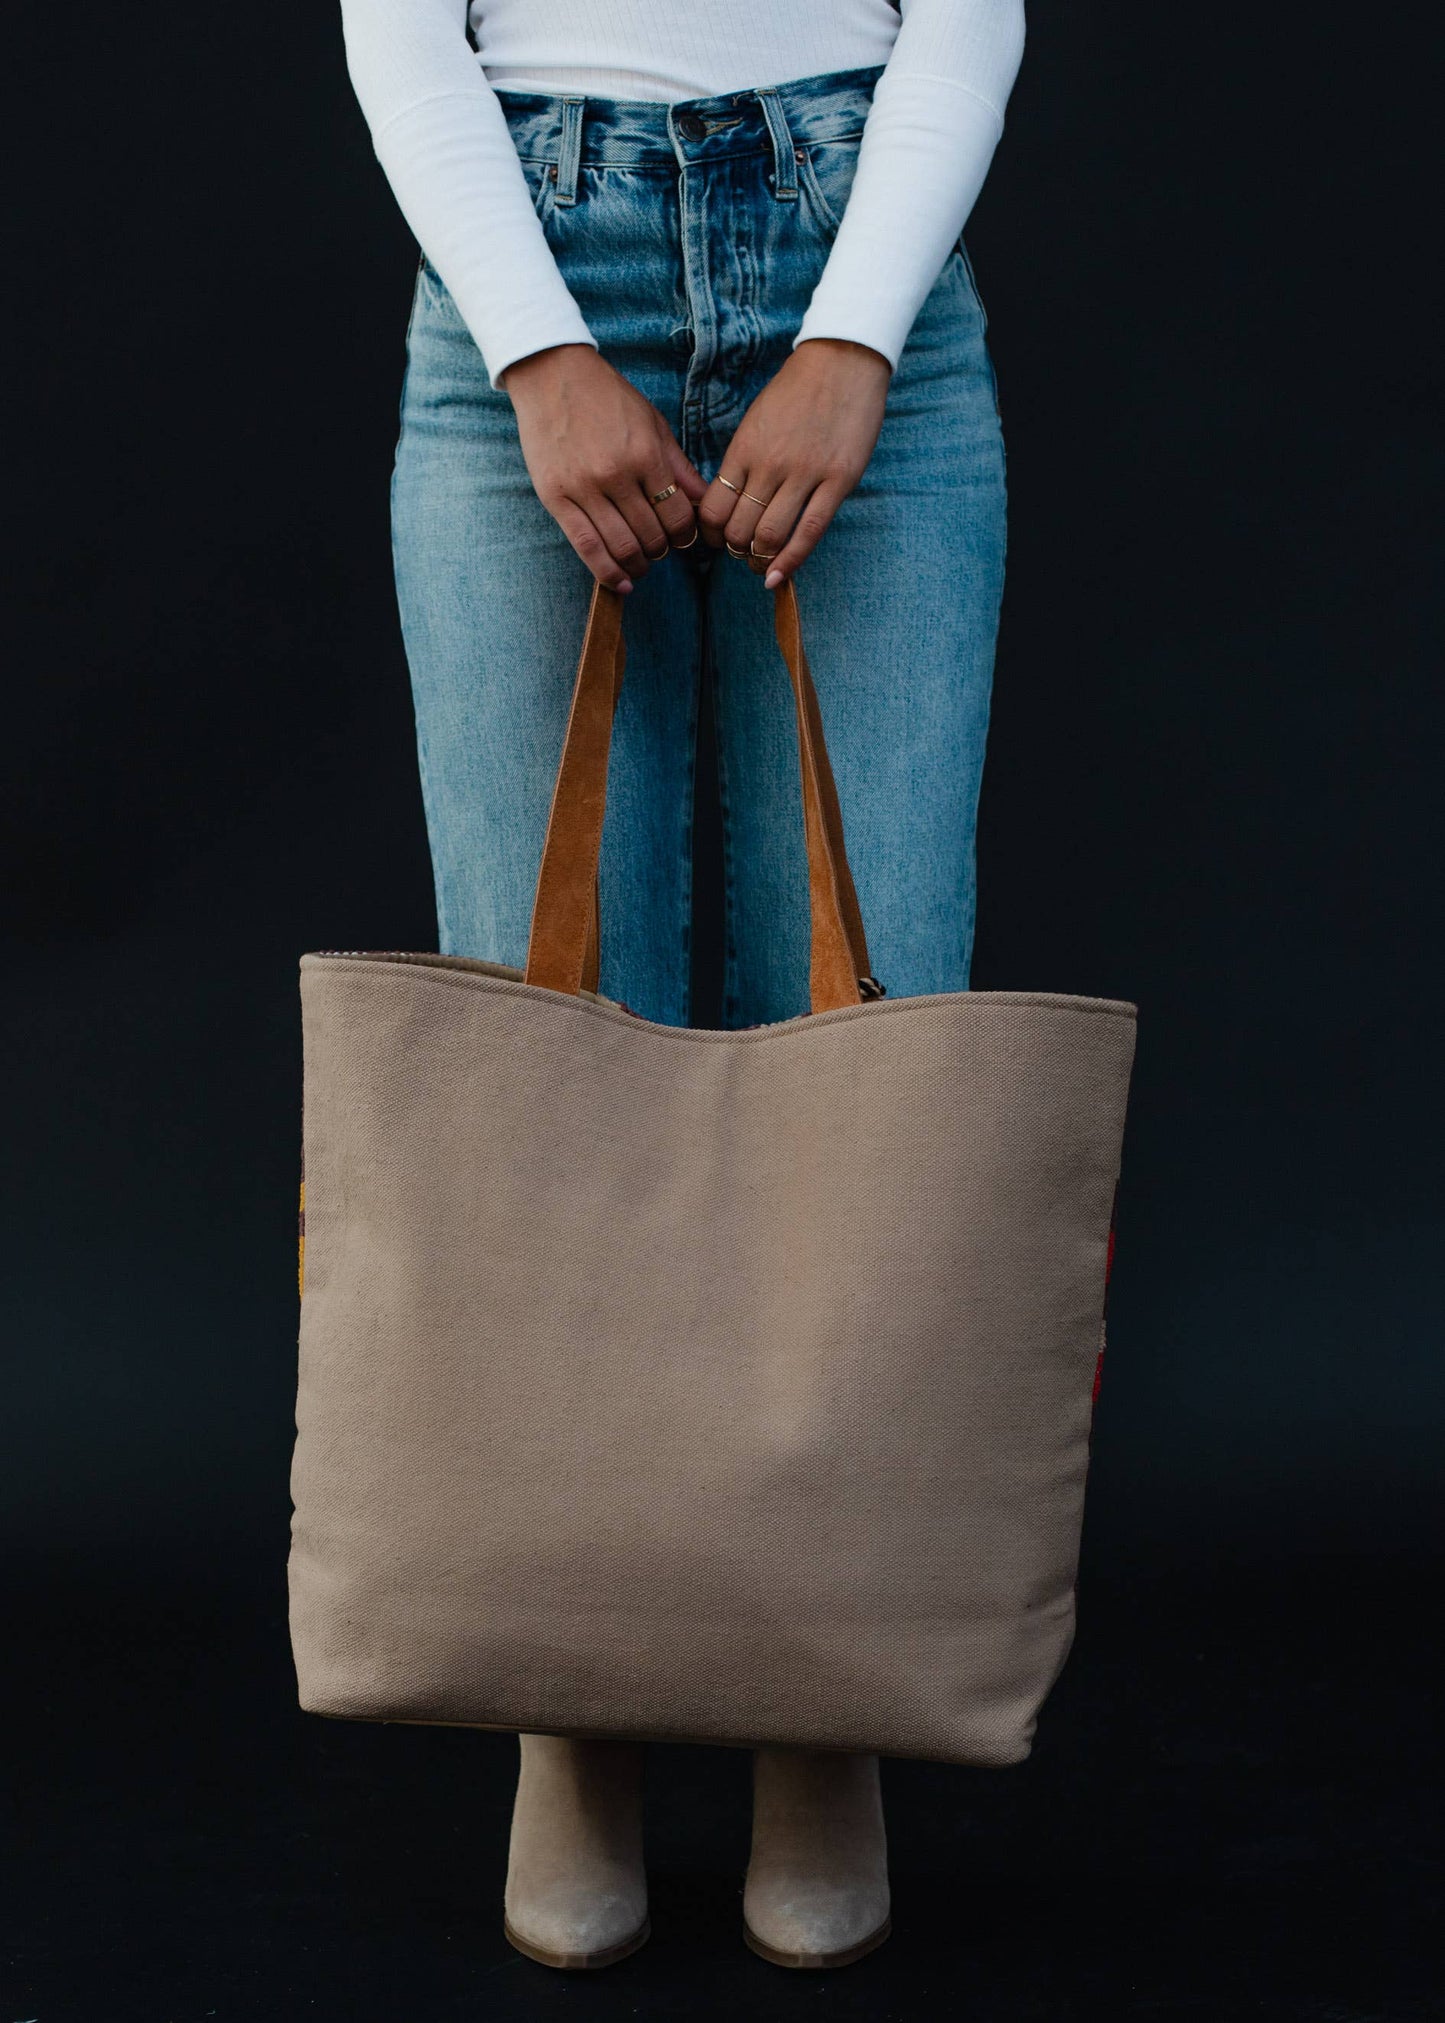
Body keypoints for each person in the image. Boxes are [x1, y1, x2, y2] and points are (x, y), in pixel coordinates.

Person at [339, 0, 1024, 1975]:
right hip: (525, 283)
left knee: (873, 1028)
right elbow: (399, 29)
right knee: (540, 1051)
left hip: (856, 237)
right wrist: (543, 349)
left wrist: (855, 332)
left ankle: (832, 1702)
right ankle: (576, 1712)